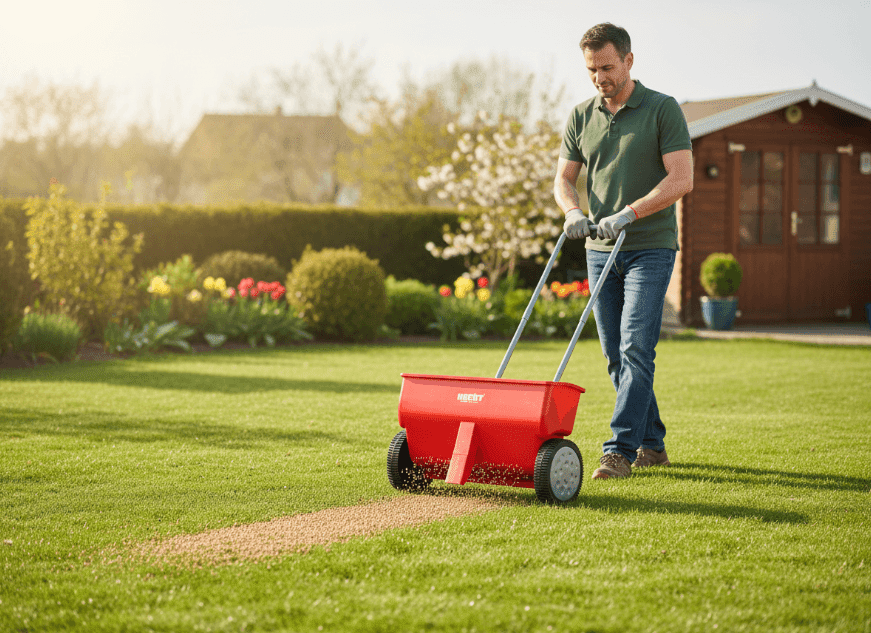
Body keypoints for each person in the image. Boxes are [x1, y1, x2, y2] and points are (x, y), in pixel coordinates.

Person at [553, 22, 694, 479]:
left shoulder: (661, 109)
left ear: (629, 61)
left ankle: (618, 450)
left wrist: (630, 213)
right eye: (591, 70)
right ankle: (652, 444)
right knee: (615, 353)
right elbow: (564, 179)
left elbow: (681, 179)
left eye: (607, 67)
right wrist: (572, 211)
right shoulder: (581, 116)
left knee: (636, 347)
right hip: (599, 250)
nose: (600, 78)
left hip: (649, 247)